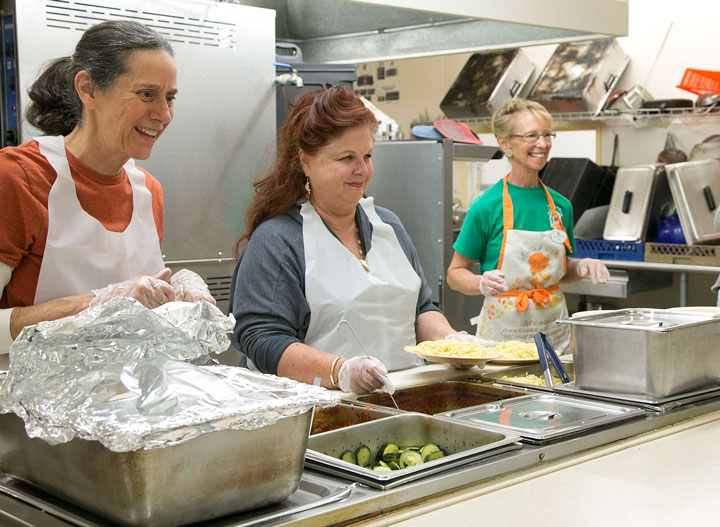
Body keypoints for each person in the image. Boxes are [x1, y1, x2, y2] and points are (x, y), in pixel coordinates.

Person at [0, 20, 214, 365]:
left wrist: (177, 290)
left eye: (170, 97)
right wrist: (94, 304)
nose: (163, 114)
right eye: (146, 94)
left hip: (127, 404)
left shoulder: (148, 191)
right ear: (88, 89)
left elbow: (134, 301)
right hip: (28, 410)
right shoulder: (18, 178)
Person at [229, 86, 468, 394]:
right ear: (306, 163)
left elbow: (421, 309)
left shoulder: (388, 226)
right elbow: (262, 339)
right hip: (321, 415)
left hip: (404, 404)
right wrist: (340, 371)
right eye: (346, 158)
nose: (362, 170)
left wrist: (451, 343)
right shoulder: (278, 240)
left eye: (367, 156)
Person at [447, 99, 610, 352]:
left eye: (547, 135)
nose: (542, 144)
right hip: (503, 338)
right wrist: (481, 283)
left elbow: (561, 272)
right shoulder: (485, 207)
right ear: (504, 142)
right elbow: (455, 274)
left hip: (554, 336)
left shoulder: (561, 206)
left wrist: (583, 266)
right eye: (531, 135)